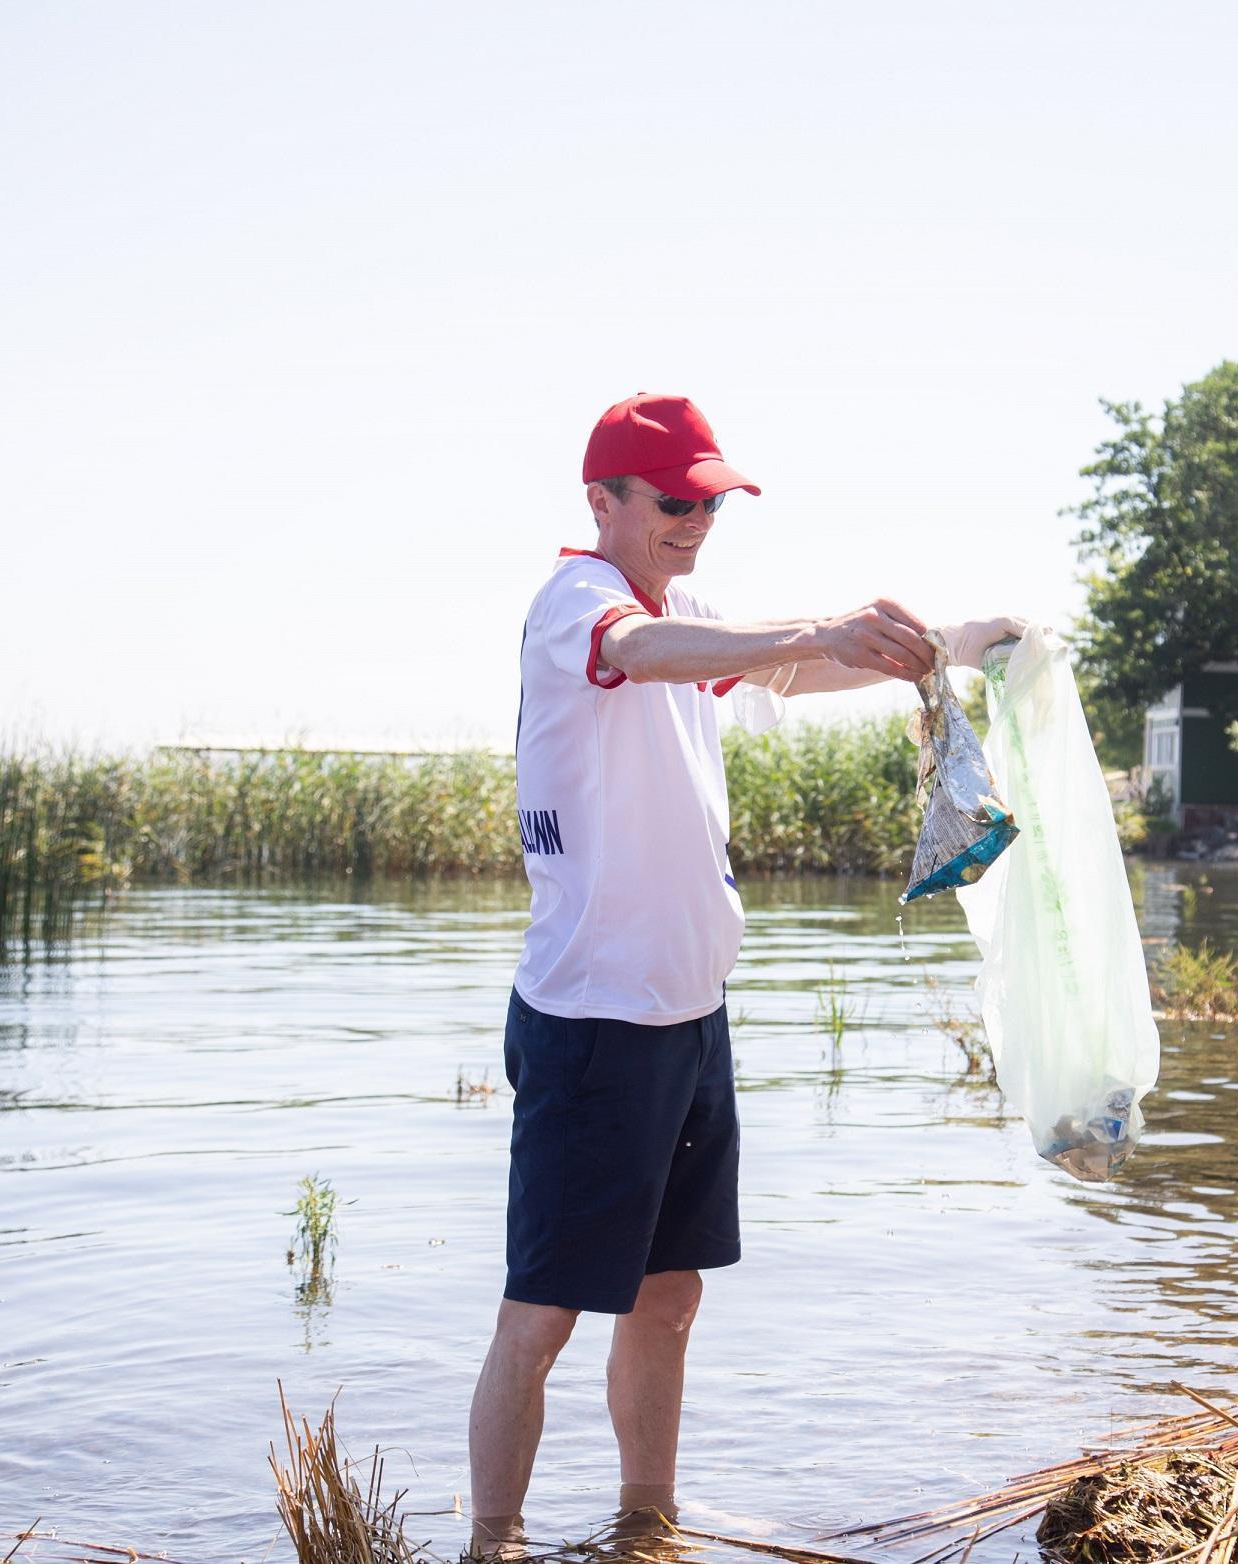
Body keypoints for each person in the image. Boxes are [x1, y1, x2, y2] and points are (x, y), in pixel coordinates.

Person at [466, 393, 1023, 1559]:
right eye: (675, 501)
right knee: (543, 1312)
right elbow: (638, 653)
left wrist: (954, 642)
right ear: (603, 501)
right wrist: (815, 628)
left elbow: (784, 672)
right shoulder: (579, 601)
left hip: (689, 1020)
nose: (696, 521)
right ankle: (492, 1540)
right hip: (591, 1022)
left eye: (712, 504)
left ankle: (645, 1525)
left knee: (669, 1296)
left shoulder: (693, 612)